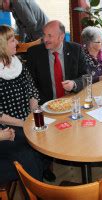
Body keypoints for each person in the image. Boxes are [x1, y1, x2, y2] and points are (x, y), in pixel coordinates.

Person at [0, 25, 43, 184]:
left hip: (25, 119)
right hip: (6, 128)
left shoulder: (18, 63)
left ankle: (40, 181)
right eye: (12, 40)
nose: (16, 43)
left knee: (43, 136)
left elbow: (31, 90)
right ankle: (38, 190)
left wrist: (34, 111)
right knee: (27, 153)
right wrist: (25, 123)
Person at [27, 20, 87, 105]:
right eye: (44, 34)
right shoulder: (34, 53)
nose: (45, 39)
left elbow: (86, 76)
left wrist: (74, 84)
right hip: (46, 104)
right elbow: (30, 83)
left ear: (61, 37)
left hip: (71, 102)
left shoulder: (76, 50)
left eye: (49, 36)